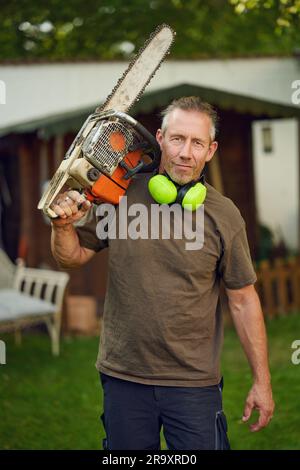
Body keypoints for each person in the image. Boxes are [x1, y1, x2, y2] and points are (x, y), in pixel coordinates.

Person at [50, 96, 275, 450]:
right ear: (159, 138)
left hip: (193, 383)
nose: (186, 152)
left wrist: (262, 382)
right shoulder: (120, 195)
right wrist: (62, 228)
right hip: (123, 376)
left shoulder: (224, 215)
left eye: (197, 142)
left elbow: (244, 301)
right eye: (177, 138)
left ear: (211, 150)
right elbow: (73, 257)